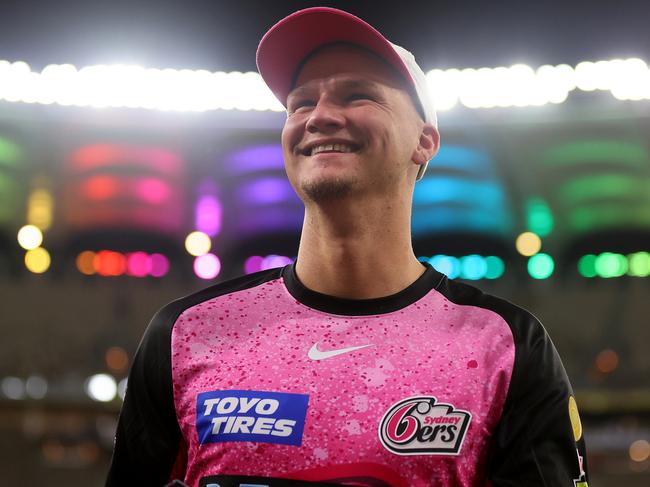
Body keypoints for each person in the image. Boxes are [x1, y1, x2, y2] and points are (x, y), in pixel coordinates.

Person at [106, 7, 589, 487]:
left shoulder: (503, 345)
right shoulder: (186, 334)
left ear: (424, 142)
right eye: (300, 103)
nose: (319, 117)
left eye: (357, 95)